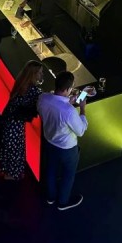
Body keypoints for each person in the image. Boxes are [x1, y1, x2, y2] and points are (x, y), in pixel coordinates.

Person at [37, 71, 88, 210]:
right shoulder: (69, 111)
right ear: (68, 89)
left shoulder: (43, 98)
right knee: (68, 175)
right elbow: (81, 131)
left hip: (49, 142)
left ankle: (51, 197)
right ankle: (63, 202)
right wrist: (82, 109)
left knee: (51, 170)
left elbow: (52, 108)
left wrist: (67, 101)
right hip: (67, 149)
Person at [0, 60, 44, 180]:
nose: (41, 74)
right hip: (15, 124)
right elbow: (45, 101)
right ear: (33, 74)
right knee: (15, 148)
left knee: (9, 147)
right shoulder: (34, 90)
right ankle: (11, 175)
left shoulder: (21, 83)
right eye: (40, 72)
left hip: (8, 119)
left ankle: (7, 170)